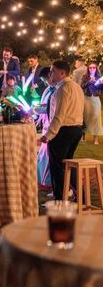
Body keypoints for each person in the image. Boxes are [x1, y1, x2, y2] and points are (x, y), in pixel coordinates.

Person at [39, 61, 84, 200]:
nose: (50, 74)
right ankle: (80, 196)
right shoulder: (77, 87)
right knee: (67, 164)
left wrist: (48, 135)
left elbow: (59, 116)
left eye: (53, 71)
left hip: (63, 131)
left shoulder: (63, 89)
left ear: (62, 73)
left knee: (57, 167)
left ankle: (59, 200)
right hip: (76, 129)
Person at [36, 67, 53, 188]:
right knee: (43, 154)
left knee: (48, 155)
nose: (45, 82)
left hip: (52, 126)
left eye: (45, 79)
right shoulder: (48, 89)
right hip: (46, 124)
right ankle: (42, 179)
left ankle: (49, 181)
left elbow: (50, 108)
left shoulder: (55, 90)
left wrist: (36, 109)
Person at [80, 62, 103, 145]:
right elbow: (82, 86)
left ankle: (95, 139)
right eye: (90, 67)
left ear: (96, 68)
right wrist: (90, 81)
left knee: (96, 117)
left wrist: (101, 84)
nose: (92, 69)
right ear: (88, 69)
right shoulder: (85, 77)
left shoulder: (99, 77)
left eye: (94, 67)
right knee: (85, 117)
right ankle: (83, 137)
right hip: (86, 99)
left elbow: (101, 89)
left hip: (96, 99)